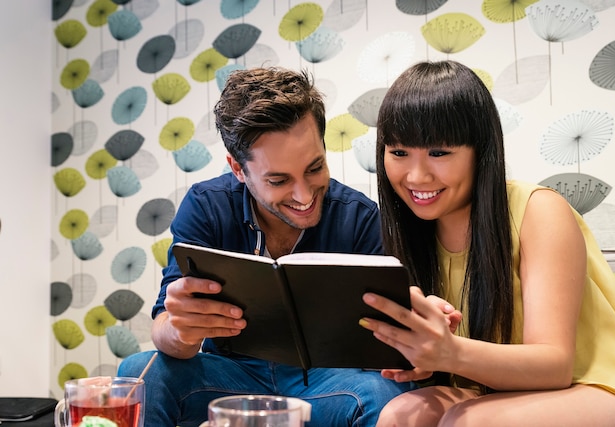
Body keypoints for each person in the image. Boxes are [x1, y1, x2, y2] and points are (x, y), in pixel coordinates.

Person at [118, 67, 422, 427]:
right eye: (278, 180)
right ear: (238, 169)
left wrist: (407, 339)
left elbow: (390, 348)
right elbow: (167, 330)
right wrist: (180, 331)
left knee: (388, 397)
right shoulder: (206, 206)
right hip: (229, 378)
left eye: (315, 168)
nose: (304, 195)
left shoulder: (359, 217)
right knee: (138, 372)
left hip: (330, 384)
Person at [358, 60, 615, 426]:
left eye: (439, 153)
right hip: (496, 390)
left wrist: (449, 352)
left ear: (480, 151)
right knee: (400, 415)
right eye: (399, 152)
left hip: (598, 385)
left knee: (469, 422)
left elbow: (556, 365)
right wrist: (415, 350)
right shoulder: (410, 230)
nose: (417, 176)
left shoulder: (538, 210)